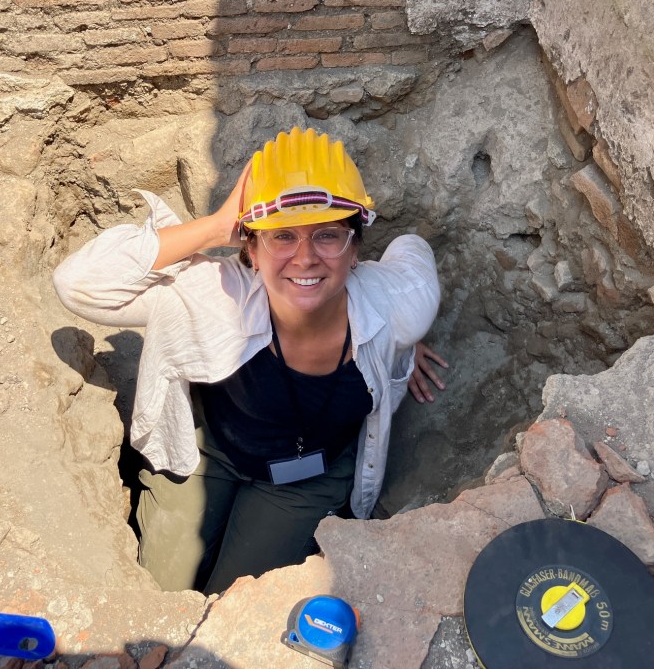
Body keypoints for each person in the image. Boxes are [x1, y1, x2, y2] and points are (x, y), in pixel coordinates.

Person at [52, 127, 443, 594]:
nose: (305, 259)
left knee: (228, 600)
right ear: (250, 251)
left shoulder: (401, 307)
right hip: (209, 454)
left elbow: (412, 249)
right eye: (281, 237)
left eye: (327, 236)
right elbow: (77, 283)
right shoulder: (216, 297)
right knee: (164, 591)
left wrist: (403, 340)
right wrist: (217, 224)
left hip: (307, 479)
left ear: (355, 250)